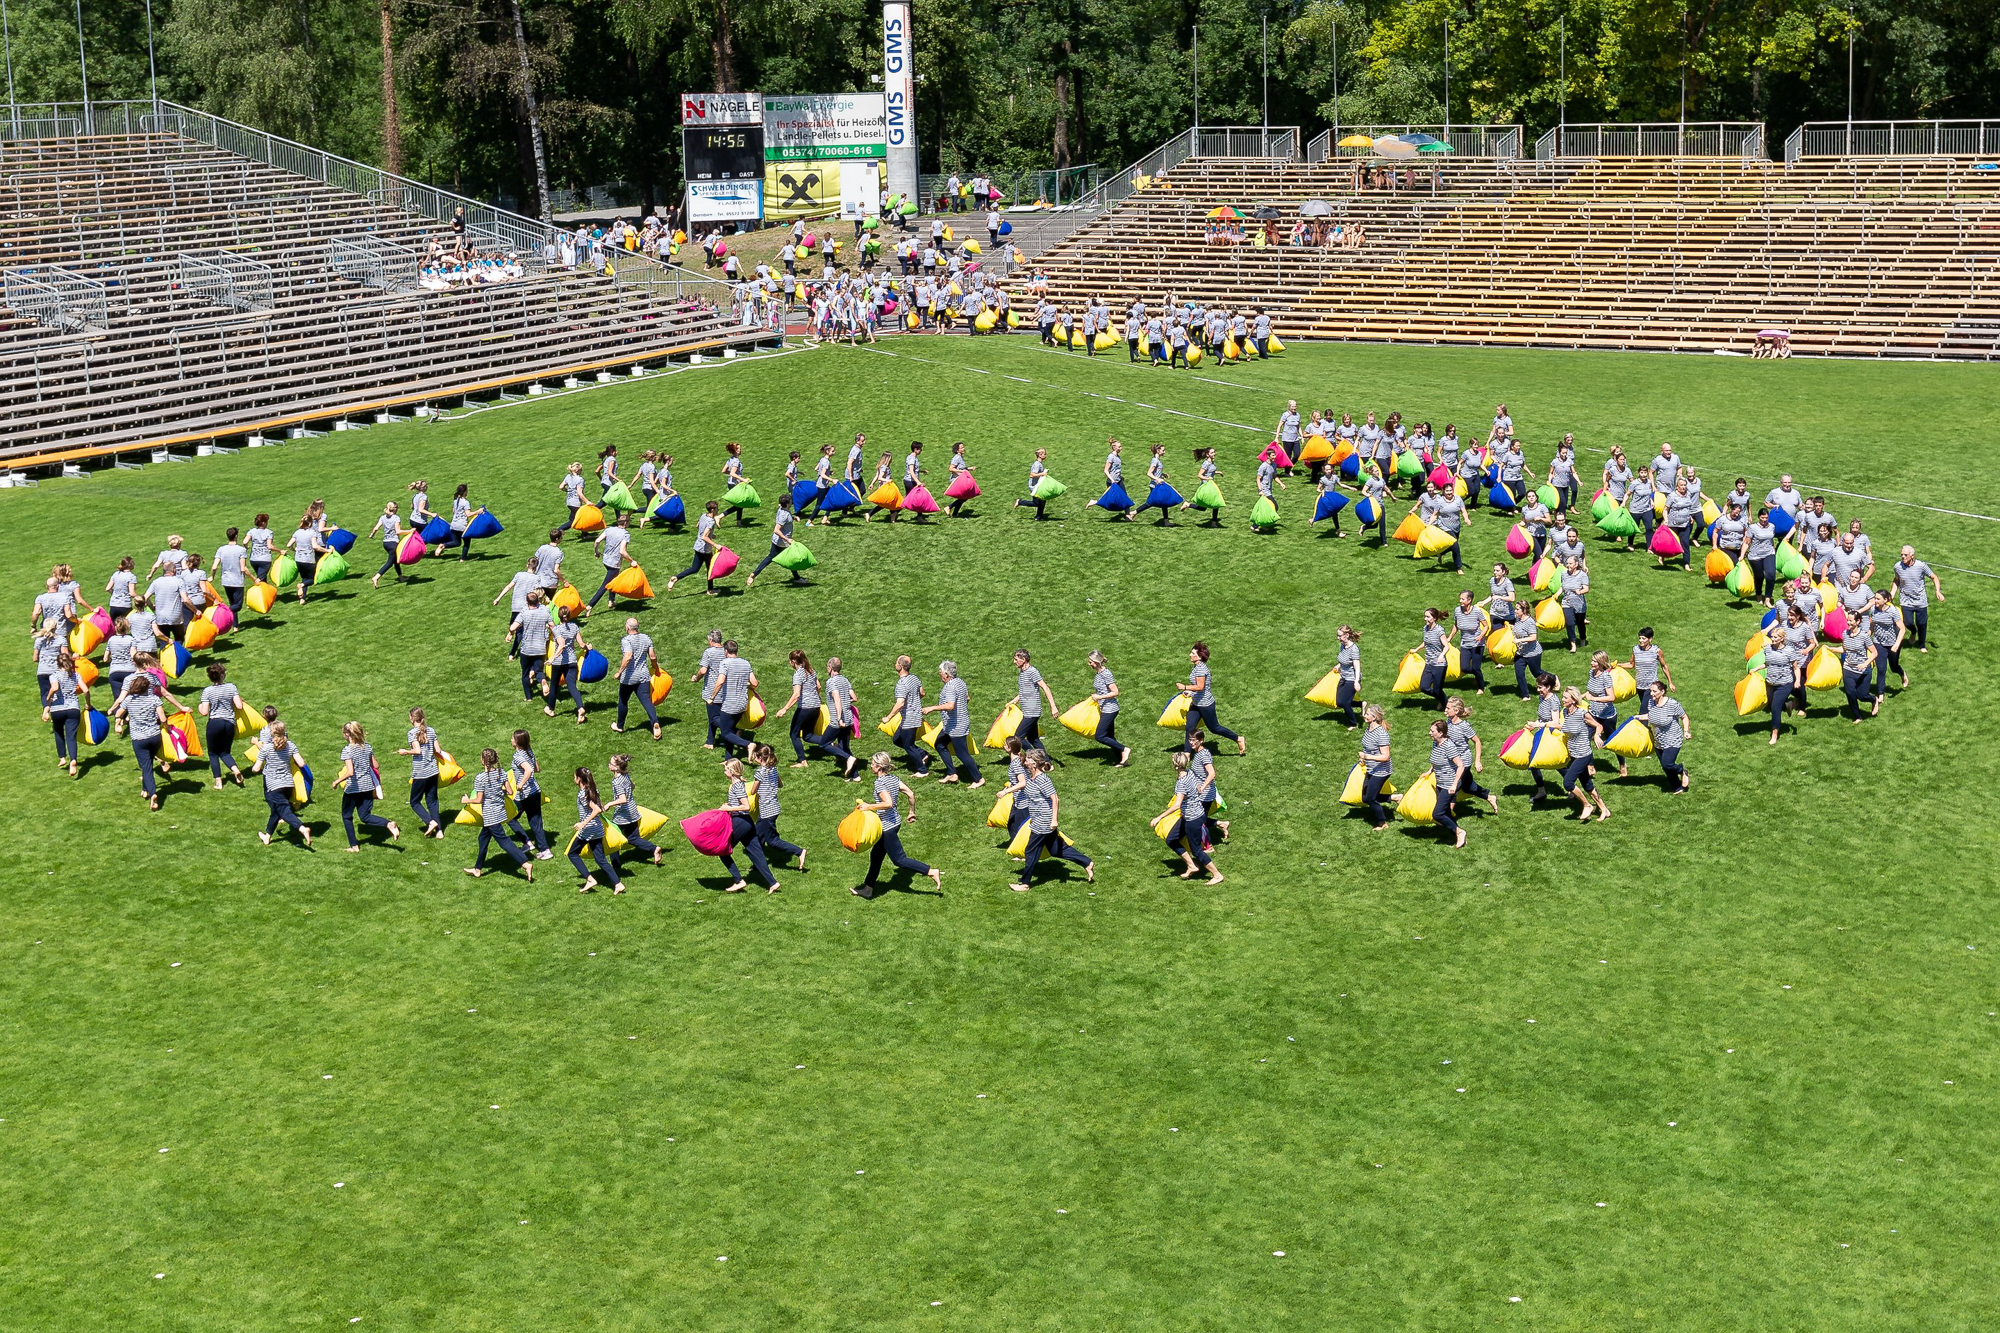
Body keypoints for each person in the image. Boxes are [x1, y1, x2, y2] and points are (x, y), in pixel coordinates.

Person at [853, 753, 942, 897]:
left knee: (899, 860)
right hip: (894, 822)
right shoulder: (894, 779)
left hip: (887, 827)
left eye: (873, 764)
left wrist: (869, 806)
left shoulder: (879, 783)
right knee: (876, 856)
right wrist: (911, 812)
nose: (871, 766)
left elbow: (888, 803)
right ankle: (868, 889)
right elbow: (910, 793)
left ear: (879, 767)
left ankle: (930, 871)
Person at [1011, 750, 1094, 891]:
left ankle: (1025, 883)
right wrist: (1021, 757)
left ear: (1034, 763)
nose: (1026, 761)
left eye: (1028, 759)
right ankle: (1086, 862)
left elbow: (1055, 798)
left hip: (1044, 821)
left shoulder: (1043, 779)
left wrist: (1054, 820)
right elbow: (1023, 764)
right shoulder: (1032, 776)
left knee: (1031, 851)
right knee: (1056, 850)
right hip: (1038, 819)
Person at [113, 672, 182, 810]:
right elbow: (162, 718)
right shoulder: (154, 699)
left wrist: (118, 723)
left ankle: (153, 793)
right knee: (148, 762)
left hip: (139, 739)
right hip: (155, 737)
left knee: (146, 767)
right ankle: (145, 789)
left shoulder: (129, 700)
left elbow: (119, 713)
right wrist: (167, 727)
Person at [1160, 752, 1224, 883]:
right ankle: (1191, 865)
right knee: (1171, 839)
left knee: (1196, 850)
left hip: (1192, 819)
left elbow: (1177, 805)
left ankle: (1217, 875)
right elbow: (1198, 788)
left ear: (1175, 765)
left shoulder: (1181, 783)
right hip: (1194, 814)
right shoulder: (1189, 772)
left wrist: (1158, 818)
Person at [335, 722, 399, 850]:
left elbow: (350, 772)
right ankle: (388, 824)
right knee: (365, 816)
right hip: (368, 787)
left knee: (347, 816)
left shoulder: (347, 750)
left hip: (353, 789)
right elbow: (376, 765)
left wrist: (337, 781)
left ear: (347, 734)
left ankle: (354, 846)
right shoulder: (367, 747)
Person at [249, 720, 311, 846]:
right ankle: (267, 837)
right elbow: (301, 763)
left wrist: (254, 769)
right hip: (288, 784)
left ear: (272, 733)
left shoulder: (266, 748)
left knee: (283, 811)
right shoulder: (291, 745)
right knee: (276, 811)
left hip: (273, 786)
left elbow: (256, 768)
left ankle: (302, 828)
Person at [748, 743, 804, 879]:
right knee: (758, 837)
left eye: (755, 756)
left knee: (772, 841)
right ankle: (757, 865)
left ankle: (799, 851)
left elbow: (753, 791)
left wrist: (749, 784)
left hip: (767, 811)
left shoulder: (760, 772)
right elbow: (780, 784)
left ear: (760, 757)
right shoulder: (773, 769)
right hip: (773, 808)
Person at [1178, 641, 1245, 753]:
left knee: (1214, 728)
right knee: (1190, 728)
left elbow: (1200, 687)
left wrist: (1185, 687)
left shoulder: (1201, 669)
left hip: (1205, 704)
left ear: (1199, 657)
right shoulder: (1196, 667)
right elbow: (1200, 687)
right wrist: (1190, 692)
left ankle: (1238, 738)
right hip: (1196, 703)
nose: (1190, 655)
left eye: (1193, 653)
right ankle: (1187, 754)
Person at [1557, 687, 1610, 822]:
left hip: (1583, 755)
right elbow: (1561, 726)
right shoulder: (1565, 712)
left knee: (1568, 783)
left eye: (1565, 698)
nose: (1562, 700)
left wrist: (1596, 735)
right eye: (1563, 697)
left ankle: (1587, 805)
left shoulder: (1582, 714)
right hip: (1574, 754)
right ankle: (1604, 809)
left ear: (1574, 700)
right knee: (1587, 785)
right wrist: (1540, 725)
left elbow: (1598, 726)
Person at [927, 659, 982, 784]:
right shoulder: (960, 682)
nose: (940, 675)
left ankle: (978, 779)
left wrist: (932, 708)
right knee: (939, 744)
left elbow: (950, 705)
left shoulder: (950, 686)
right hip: (952, 724)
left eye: (940, 672)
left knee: (962, 754)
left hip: (956, 726)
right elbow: (967, 698)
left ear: (946, 674)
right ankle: (952, 773)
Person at [605, 753, 663, 872]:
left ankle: (616, 867)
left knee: (613, 838)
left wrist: (609, 804)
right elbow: (632, 786)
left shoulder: (617, 782)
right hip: (632, 811)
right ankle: (654, 849)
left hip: (623, 815)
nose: (608, 765)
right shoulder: (625, 775)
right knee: (633, 838)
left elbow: (623, 799)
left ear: (617, 767)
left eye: (610, 763)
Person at [564, 766, 617, 891]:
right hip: (597, 829)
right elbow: (600, 807)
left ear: (579, 779)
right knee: (600, 859)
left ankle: (590, 879)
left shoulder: (583, 794)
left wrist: (583, 823)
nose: (574, 779)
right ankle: (618, 884)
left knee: (572, 853)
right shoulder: (593, 790)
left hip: (588, 830)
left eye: (574, 776)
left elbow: (597, 809)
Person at [196, 663, 249, 788]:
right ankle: (235, 769)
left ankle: (218, 782)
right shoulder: (231, 687)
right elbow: (239, 706)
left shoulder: (207, 691)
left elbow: (204, 712)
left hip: (214, 723)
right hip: (229, 723)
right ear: (222, 676)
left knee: (213, 753)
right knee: (225, 752)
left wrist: (199, 707)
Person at [1443, 697, 1498, 816]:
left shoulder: (1464, 726)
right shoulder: (1448, 722)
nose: (1445, 710)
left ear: (1456, 711)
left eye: (1448, 708)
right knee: (1468, 787)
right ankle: (1489, 797)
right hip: (1453, 761)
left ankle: (1446, 816)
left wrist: (1477, 761)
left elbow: (1477, 741)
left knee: (1453, 787)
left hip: (1463, 762)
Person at [613, 617, 663, 740]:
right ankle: (655, 722)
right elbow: (652, 656)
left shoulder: (626, 640)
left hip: (629, 678)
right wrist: (656, 667)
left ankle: (620, 726)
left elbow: (628, 656)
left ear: (627, 627)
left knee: (623, 701)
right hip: (643, 676)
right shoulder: (646, 638)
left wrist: (619, 672)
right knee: (646, 701)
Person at [882, 654, 931, 776]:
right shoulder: (914, 678)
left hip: (910, 718)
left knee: (908, 745)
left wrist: (888, 717)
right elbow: (922, 693)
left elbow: (900, 703)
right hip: (914, 716)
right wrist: (914, 701)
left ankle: (922, 770)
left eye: (896, 662)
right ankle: (922, 754)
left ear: (900, 666)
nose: (895, 664)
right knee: (897, 739)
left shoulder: (902, 683)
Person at [41, 648, 86, 779]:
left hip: (57, 708)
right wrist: (88, 703)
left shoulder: (54, 675)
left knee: (58, 732)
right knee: (71, 736)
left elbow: (55, 687)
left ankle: (62, 758)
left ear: (57, 663)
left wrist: (49, 698)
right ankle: (73, 760)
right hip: (73, 708)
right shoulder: (75, 675)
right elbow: (85, 690)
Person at [400, 707, 444, 838]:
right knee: (432, 801)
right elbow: (438, 750)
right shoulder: (431, 730)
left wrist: (405, 752)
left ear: (412, 718)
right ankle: (439, 831)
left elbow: (417, 751)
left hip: (420, 772)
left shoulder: (412, 733)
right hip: (433, 770)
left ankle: (430, 822)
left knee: (414, 802)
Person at [774, 650, 824, 766]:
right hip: (816, 706)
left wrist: (784, 709)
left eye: (790, 661)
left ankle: (802, 761)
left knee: (794, 734)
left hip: (805, 708)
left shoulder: (798, 675)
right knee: (808, 736)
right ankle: (830, 743)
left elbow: (796, 694)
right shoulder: (811, 671)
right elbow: (819, 686)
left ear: (793, 661)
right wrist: (815, 697)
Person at [746, 493, 805, 589]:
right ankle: (797, 578)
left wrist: (794, 518)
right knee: (790, 558)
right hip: (782, 542)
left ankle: (754, 574)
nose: (792, 501)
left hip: (777, 541)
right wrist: (787, 539)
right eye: (790, 500)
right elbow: (776, 530)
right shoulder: (784, 515)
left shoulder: (782, 509)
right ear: (787, 503)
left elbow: (784, 513)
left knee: (774, 558)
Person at [1891, 546, 1943, 652]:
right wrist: (1892, 594)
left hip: (1920, 601)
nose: (1903, 556)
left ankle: (1922, 645)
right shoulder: (1897, 567)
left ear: (1912, 556)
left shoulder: (1921, 566)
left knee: (1922, 624)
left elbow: (1934, 577)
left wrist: (1937, 591)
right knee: (1908, 623)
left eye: (1905, 555)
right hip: (1905, 600)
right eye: (1901, 554)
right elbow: (1897, 580)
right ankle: (1913, 632)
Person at [815, 656, 860, 778]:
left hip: (838, 720)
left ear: (830, 668)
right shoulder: (845, 680)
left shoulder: (831, 682)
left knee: (824, 744)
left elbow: (837, 699)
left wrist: (839, 718)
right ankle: (856, 776)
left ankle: (848, 758)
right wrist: (846, 702)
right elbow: (854, 697)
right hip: (848, 718)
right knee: (844, 746)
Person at [1426, 720, 1469, 848]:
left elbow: (1461, 765)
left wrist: (1454, 785)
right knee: (1446, 812)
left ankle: (1460, 832)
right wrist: (1429, 771)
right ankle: (1456, 835)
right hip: (1440, 782)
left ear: (1440, 733)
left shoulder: (1449, 746)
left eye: (1432, 731)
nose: (1430, 733)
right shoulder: (1435, 743)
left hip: (1449, 784)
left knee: (1437, 814)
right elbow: (1436, 761)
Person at [712, 639, 758, 759]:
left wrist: (712, 697)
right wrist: (747, 686)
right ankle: (729, 759)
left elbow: (720, 681)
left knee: (725, 733)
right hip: (742, 704)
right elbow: (755, 683)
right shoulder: (746, 663)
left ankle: (748, 745)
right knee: (731, 731)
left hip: (729, 705)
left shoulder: (725, 663)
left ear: (726, 651)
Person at [665, 500, 723, 595]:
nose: (718, 510)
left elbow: (698, 526)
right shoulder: (711, 522)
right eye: (717, 508)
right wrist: (715, 544)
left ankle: (676, 578)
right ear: (712, 509)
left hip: (698, 546)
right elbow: (704, 537)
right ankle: (710, 590)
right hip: (705, 549)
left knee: (694, 568)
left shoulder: (703, 516)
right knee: (710, 569)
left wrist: (711, 535)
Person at [1084, 649, 1130, 764]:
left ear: (1096, 662)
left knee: (1100, 736)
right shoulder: (1099, 673)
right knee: (1110, 736)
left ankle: (1125, 749)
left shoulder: (1106, 674)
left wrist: (1099, 697)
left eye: (1090, 662)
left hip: (1110, 709)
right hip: (1104, 708)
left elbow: (1115, 692)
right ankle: (1122, 760)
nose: (1089, 664)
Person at [507, 589, 552, 704]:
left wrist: (510, 633)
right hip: (540, 648)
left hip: (527, 649)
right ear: (538, 601)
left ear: (527, 602)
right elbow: (552, 626)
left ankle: (528, 697)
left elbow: (513, 627)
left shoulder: (524, 612)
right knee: (538, 670)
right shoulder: (545, 610)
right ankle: (542, 681)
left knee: (525, 673)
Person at [544, 606, 587, 722]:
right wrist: (587, 647)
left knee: (554, 686)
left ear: (559, 616)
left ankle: (551, 709)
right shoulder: (574, 627)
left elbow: (561, 644)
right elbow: (581, 644)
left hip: (558, 663)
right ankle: (580, 708)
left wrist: (552, 658)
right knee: (572, 686)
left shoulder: (557, 629)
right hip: (572, 661)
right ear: (569, 615)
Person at [587, 512, 636, 608]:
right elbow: (622, 551)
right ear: (625, 523)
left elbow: (597, 541)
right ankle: (590, 605)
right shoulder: (625, 534)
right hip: (614, 564)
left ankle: (611, 601)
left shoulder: (608, 529)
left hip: (606, 560)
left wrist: (596, 552)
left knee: (613, 579)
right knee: (605, 585)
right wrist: (631, 561)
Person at [1356, 705, 1394, 830]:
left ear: (1374, 717)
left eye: (1367, 714)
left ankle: (1382, 823)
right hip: (1371, 768)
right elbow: (1368, 748)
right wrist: (1363, 759)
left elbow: (1385, 757)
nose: (1364, 715)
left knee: (1371, 798)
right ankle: (1395, 797)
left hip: (1381, 771)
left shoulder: (1381, 734)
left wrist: (1367, 756)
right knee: (1365, 798)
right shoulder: (1368, 729)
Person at [1011, 648, 1056, 747]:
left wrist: (1053, 707)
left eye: (1016, 659)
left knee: (1018, 738)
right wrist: (1014, 701)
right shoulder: (1022, 672)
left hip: (1032, 712)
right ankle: (1044, 757)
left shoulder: (1032, 672)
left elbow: (1045, 687)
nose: (1014, 662)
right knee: (1033, 739)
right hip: (1027, 711)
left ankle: (1031, 754)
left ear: (1023, 659)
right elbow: (1024, 690)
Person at [1763, 625, 1798, 746]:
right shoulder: (1768, 649)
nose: (1773, 639)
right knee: (1772, 704)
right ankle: (1788, 705)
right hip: (1770, 682)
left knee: (1775, 708)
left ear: (1782, 638)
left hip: (1784, 683)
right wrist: (1755, 669)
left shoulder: (1789, 651)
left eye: (1775, 637)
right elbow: (1767, 664)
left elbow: (1795, 667)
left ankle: (1774, 734)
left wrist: (1797, 681)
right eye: (1772, 637)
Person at [1868, 588, 1905, 700]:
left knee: (1894, 667)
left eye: (1878, 599)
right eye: (1875, 598)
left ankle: (1902, 674)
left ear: (1885, 600)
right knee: (1881, 668)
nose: (1875, 600)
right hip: (1878, 642)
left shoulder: (1893, 611)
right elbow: (1872, 624)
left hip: (1893, 643)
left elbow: (1902, 629)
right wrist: (1868, 635)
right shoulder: (1873, 609)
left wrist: (1896, 644)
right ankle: (1880, 693)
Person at [1839, 614, 1876, 724]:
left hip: (1863, 671)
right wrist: (1830, 648)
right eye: (1847, 620)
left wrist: (1865, 664)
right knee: (1850, 693)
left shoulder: (1864, 636)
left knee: (1862, 696)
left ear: (1858, 621)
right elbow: (1844, 649)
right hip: (1848, 669)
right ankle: (1857, 716)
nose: (1848, 623)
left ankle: (1874, 699)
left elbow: (1874, 653)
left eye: (1851, 621)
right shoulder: (1845, 634)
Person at [1452, 591, 1487, 693]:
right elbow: (1456, 626)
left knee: (1476, 667)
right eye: (1460, 598)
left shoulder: (1476, 611)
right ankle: (1477, 674)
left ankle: (1481, 687)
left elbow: (1486, 626)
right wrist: (1449, 638)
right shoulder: (1457, 610)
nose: (1460, 601)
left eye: (1462, 599)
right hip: (1465, 644)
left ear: (1469, 600)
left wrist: (1480, 636)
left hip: (1477, 644)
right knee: (1464, 668)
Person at [370, 502, 407, 589]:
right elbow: (398, 531)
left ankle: (401, 577)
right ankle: (376, 577)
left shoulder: (383, 517)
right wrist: (410, 531)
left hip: (385, 543)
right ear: (395, 509)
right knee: (390, 562)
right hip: (393, 544)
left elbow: (376, 528)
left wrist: (372, 535)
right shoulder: (396, 518)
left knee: (396, 561)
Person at [1332, 626, 1363, 728]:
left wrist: (1356, 682)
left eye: (1339, 636)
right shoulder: (1342, 645)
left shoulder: (1354, 649)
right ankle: (1361, 704)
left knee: (1345, 703)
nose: (1338, 638)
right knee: (1339, 702)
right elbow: (1344, 660)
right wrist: (1338, 665)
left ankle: (1353, 723)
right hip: (1343, 677)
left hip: (1352, 678)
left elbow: (1357, 667)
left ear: (1347, 635)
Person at [1560, 556, 1590, 651]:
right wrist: (1555, 595)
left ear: (1576, 564)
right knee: (1569, 623)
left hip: (1579, 604)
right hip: (1567, 603)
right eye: (1567, 563)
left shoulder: (1582, 575)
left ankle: (1582, 638)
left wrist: (1580, 592)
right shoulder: (1563, 574)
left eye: (1570, 563)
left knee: (1580, 624)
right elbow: (1563, 587)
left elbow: (1586, 589)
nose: (1568, 565)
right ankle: (1573, 644)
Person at [1015, 448, 1054, 521]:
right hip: (1034, 486)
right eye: (1044, 454)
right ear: (1040, 455)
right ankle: (1020, 502)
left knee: (1043, 499)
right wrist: (1042, 474)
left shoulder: (1039, 464)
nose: (1046, 455)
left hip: (1038, 485)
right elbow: (1032, 475)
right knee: (1036, 503)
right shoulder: (1037, 464)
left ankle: (1039, 516)